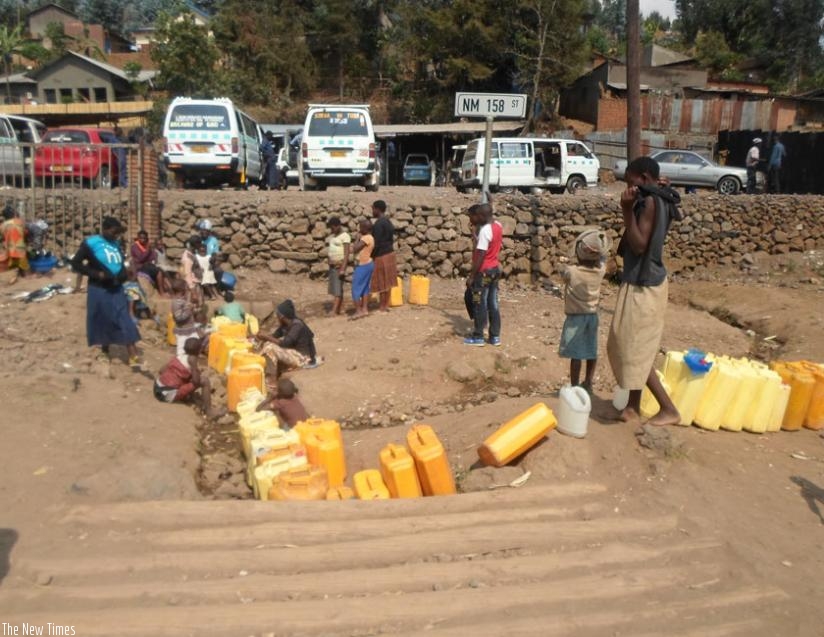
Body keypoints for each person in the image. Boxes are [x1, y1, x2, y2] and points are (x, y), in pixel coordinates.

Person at [606, 156, 681, 426]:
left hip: (645, 284)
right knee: (634, 345)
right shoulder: (661, 198)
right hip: (643, 280)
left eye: (630, 181)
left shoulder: (649, 202)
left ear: (645, 178)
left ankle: (669, 409)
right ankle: (632, 407)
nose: (627, 187)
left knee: (633, 349)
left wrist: (626, 209)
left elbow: (638, 245)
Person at [70, 217, 141, 367]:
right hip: (99, 288)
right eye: (114, 232)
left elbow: (118, 263)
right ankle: (104, 350)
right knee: (103, 320)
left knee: (124, 318)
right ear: (105, 229)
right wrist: (97, 274)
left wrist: (125, 273)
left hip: (116, 288)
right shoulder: (91, 243)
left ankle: (133, 355)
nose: (116, 236)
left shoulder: (115, 244)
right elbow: (76, 264)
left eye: (118, 233)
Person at [559, 229, 609, 394]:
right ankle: (588, 382)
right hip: (592, 317)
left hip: (575, 319)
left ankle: (574, 386)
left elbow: (562, 271)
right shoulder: (600, 271)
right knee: (591, 350)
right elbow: (603, 258)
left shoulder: (571, 272)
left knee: (576, 354)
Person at [464, 201, 503, 346]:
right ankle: (495, 336)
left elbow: (480, 254)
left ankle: (478, 336)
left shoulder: (486, 230)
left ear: (482, 215)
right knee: (493, 303)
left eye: (478, 214)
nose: (476, 218)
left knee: (479, 302)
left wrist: (472, 276)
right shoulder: (498, 225)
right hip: (494, 271)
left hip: (483, 273)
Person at [154, 337, 222, 418]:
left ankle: (187, 397)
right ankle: (209, 411)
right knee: (205, 381)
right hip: (167, 395)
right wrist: (195, 369)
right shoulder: (192, 359)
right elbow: (196, 381)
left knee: (186, 376)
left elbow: (161, 371)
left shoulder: (178, 356)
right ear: (199, 351)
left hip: (157, 388)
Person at [256, 299, 319, 375]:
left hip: (303, 357)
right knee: (267, 343)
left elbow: (285, 343)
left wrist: (266, 337)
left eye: (277, 314)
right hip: (294, 352)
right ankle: (263, 367)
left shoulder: (297, 325)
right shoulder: (285, 325)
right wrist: (262, 336)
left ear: (282, 316)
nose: (276, 316)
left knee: (271, 348)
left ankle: (271, 376)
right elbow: (274, 335)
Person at [370, 200, 399, 313]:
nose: (372, 211)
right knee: (389, 281)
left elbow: (376, 242)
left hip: (381, 255)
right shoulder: (387, 221)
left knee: (382, 280)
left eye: (373, 209)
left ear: (377, 209)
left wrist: (372, 256)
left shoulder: (378, 224)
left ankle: (382, 306)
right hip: (390, 253)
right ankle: (386, 305)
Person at [130, 229, 169, 295]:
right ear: (138, 238)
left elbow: (153, 257)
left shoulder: (146, 246)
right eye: (141, 238)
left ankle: (169, 291)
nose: (143, 240)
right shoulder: (135, 247)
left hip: (148, 265)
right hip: (140, 266)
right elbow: (140, 258)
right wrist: (148, 250)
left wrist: (150, 251)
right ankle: (161, 292)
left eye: (144, 238)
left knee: (163, 271)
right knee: (158, 272)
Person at [326, 216, 351, 315]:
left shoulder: (345, 236)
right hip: (332, 265)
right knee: (336, 288)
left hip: (339, 266)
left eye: (332, 228)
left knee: (337, 288)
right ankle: (339, 309)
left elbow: (346, 254)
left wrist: (343, 269)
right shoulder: (334, 236)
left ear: (338, 226)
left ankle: (334, 311)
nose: (331, 230)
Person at [350, 219, 374, 320]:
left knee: (355, 288)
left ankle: (358, 311)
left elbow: (355, 249)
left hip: (362, 265)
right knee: (364, 288)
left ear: (364, 228)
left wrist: (357, 239)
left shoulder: (366, 238)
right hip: (368, 264)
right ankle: (364, 309)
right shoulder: (370, 237)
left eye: (360, 227)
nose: (359, 229)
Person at [1, 205, 29, 281]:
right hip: (20, 245)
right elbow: (26, 232)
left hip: (10, 247)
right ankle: (23, 276)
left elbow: (2, 236)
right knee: (22, 262)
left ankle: (14, 277)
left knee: (12, 263)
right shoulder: (20, 221)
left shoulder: (3, 225)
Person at [180, 235, 203, 305]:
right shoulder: (187, 258)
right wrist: (193, 292)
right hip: (192, 286)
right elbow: (187, 274)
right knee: (194, 308)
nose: (200, 246)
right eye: (199, 244)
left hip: (196, 283)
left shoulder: (191, 254)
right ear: (196, 244)